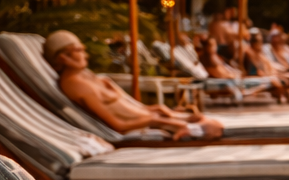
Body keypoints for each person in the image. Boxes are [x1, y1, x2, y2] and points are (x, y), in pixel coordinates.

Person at [46, 31, 223, 140]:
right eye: (79, 50)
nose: (85, 54)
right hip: (144, 128)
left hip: (153, 120)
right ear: (63, 57)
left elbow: (131, 107)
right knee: (214, 128)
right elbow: (118, 124)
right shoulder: (75, 85)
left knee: (212, 123)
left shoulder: (91, 78)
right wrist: (160, 121)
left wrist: (159, 110)